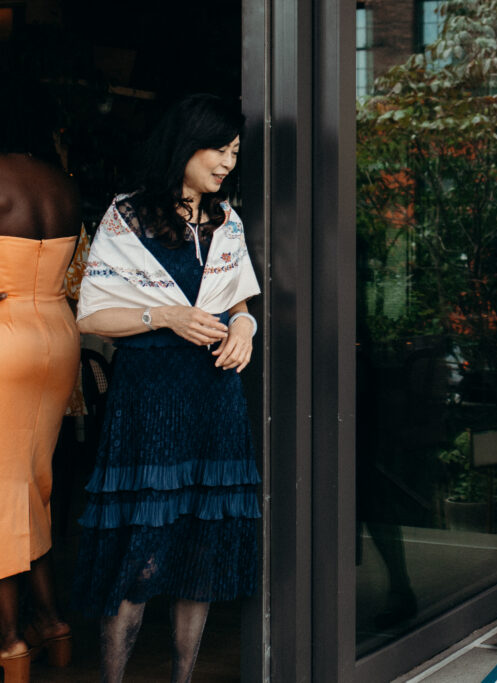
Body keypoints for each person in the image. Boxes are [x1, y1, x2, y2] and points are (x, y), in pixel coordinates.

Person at [74, 94, 261, 683]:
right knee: (142, 547)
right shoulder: (126, 216)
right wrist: (165, 317)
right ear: (187, 144)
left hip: (214, 398)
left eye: (234, 153)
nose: (227, 162)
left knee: (202, 548)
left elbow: (239, 300)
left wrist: (247, 327)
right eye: (219, 149)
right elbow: (93, 316)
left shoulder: (224, 220)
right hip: (150, 398)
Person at [0, 101, 81, 683]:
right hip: (59, 333)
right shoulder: (62, 183)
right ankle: (52, 626)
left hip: (7, 338)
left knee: (3, 495)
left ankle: (9, 644)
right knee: (33, 485)